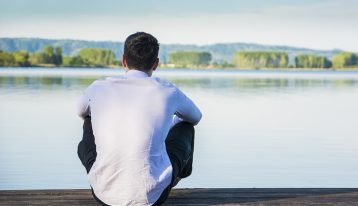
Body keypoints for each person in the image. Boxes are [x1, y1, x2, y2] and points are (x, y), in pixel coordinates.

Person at [77, 32, 202, 206]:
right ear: (156, 64)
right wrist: (169, 122)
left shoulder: (98, 88)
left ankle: (105, 175)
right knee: (186, 126)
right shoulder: (167, 91)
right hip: (151, 197)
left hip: (104, 195)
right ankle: (176, 177)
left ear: (123, 61)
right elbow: (196, 117)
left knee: (89, 119)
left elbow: (80, 112)